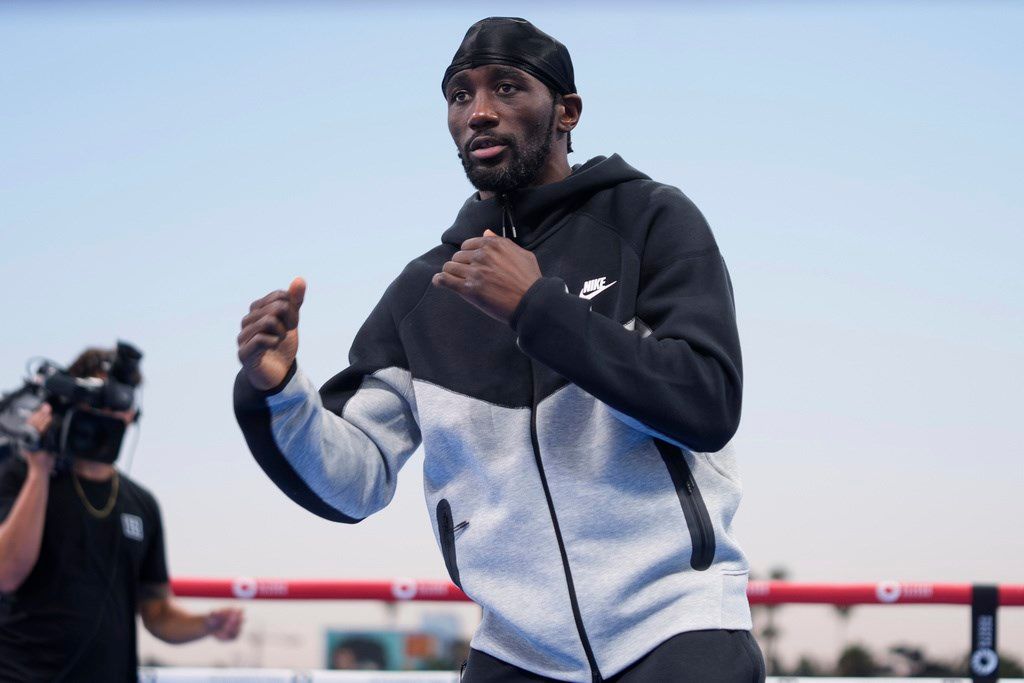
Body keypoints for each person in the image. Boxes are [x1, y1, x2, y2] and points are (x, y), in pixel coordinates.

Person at [234, 17, 763, 682]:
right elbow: (358, 479)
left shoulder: (650, 218)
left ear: (566, 111)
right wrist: (276, 390)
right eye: (460, 96)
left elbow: (705, 399)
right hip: (516, 648)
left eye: (507, 88)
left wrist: (539, 309)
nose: (479, 112)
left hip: (676, 631)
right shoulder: (421, 291)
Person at [0, 347, 243, 682]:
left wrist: (207, 624)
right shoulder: (22, 475)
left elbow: (157, 613)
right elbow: (6, 573)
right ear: (73, 400)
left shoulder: (141, 503)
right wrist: (38, 469)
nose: (112, 414)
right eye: (101, 400)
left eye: (121, 403)